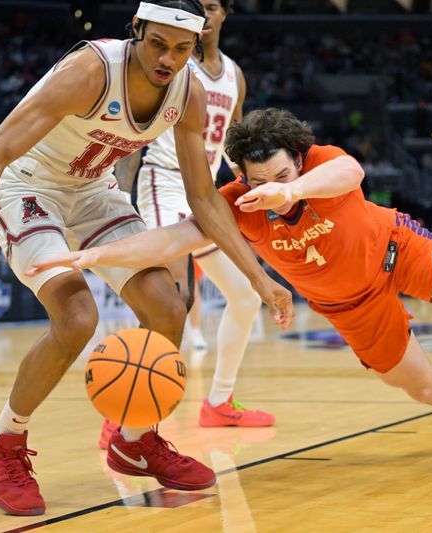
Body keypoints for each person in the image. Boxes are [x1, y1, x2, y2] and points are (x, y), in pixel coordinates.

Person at [29, 108, 432, 462]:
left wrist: (293, 191)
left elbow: (352, 172)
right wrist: (94, 253)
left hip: (397, 248)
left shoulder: (321, 163)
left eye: (281, 172)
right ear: (240, 176)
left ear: (298, 158)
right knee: (429, 390)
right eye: (260, 179)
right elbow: (169, 242)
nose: (272, 184)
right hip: (349, 306)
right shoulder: (235, 203)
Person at [0, 0, 293, 516]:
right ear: (136, 30)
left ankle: (134, 439)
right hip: (27, 187)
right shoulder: (90, 70)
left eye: (181, 49)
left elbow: (203, 197)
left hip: (94, 192)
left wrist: (258, 277)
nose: (167, 59)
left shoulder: (188, 91)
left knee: (166, 306)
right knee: (77, 318)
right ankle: (1, 440)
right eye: (157, 44)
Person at [120, 0, 273, 444]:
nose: (204, 18)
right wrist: (119, 193)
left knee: (245, 296)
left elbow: (236, 141)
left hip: (204, 192)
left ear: (223, 14)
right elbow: (135, 131)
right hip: (163, 181)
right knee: (172, 298)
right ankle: (126, 409)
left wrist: (253, 184)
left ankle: (220, 402)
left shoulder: (234, 75)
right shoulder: (171, 65)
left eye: (210, 7)